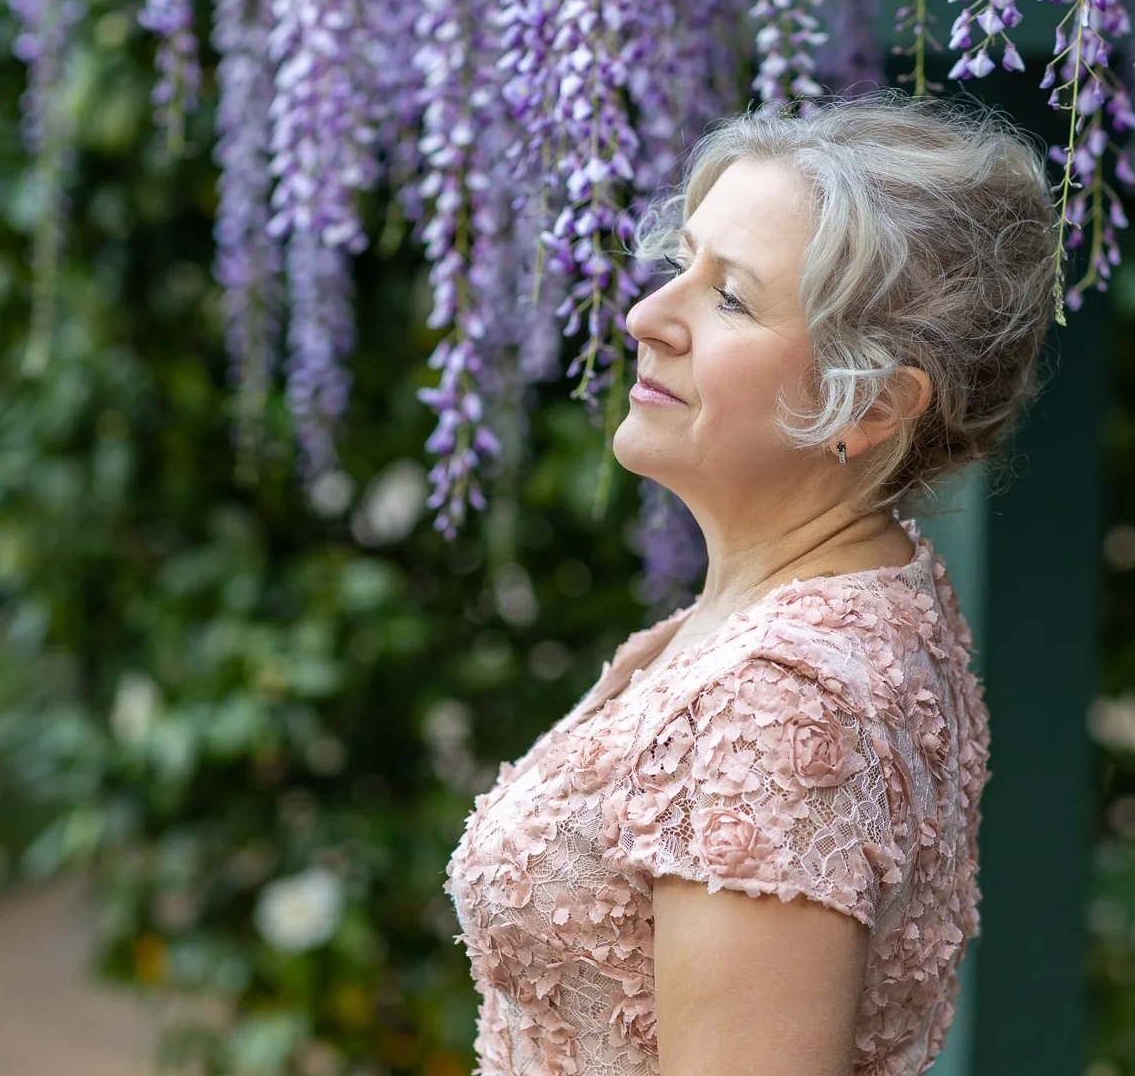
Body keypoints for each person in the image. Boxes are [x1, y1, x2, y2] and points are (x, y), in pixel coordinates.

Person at [445, 91, 1059, 1076]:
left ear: (870, 403)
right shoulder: (841, 600)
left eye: (728, 296)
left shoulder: (779, 702)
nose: (646, 316)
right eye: (677, 265)